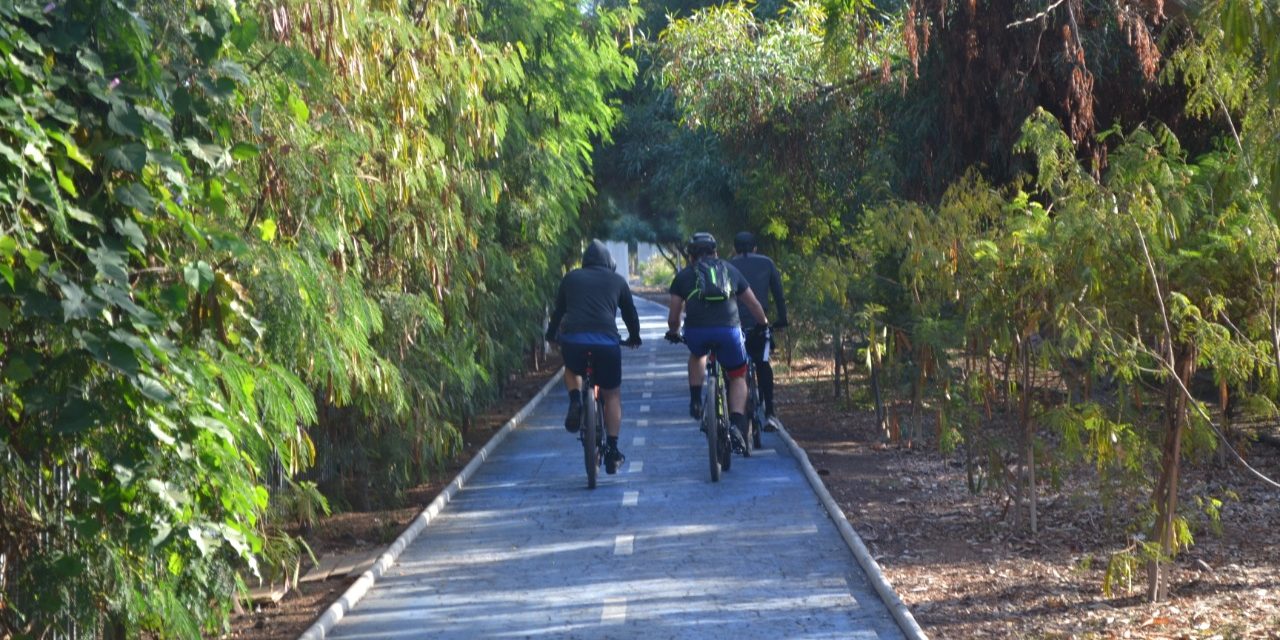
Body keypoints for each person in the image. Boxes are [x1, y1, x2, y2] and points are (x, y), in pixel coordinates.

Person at [664, 232, 769, 451]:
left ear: (691, 256)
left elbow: (674, 316)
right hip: (729, 332)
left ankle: (695, 399)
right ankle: (738, 424)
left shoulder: (684, 276)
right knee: (738, 374)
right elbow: (753, 304)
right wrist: (763, 325)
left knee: (697, 355)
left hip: (697, 333)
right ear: (716, 252)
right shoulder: (730, 270)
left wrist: (674, 332)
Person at [545, 240, 642, 474]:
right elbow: (630, 313)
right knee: (612, 395)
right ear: (609, 263)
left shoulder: (570, 278)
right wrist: (634, 337)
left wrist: (551, 336)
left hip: (575, 343)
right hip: (607, 344)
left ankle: (576, 399)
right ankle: (612, 450)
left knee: (571, 368)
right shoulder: (618, 280)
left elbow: (559, 312)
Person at [730, 231, 788, 431]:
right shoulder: (767, 263)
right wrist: (782, 320)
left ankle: (735, 414)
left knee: (734, 370)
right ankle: (770, 413)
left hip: (734, 326)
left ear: (735, 249)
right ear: (755, 247)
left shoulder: (728, 266)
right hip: (759, 325)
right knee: (763, 364)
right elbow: (779, 295)